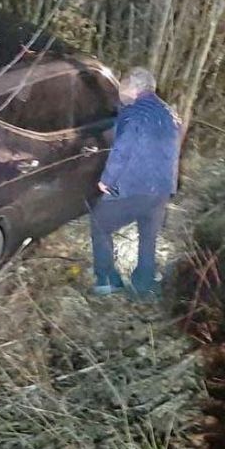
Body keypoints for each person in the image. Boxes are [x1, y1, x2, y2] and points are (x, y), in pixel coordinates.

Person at [90, 67, 182, 299]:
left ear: (133, 87)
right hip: (162, 188)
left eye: (122, 86)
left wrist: (107, 180)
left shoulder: (133, 113)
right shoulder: (169, 113)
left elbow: (123, 149)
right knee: (148, 235)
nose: (120, 91)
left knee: (99, 224)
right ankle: (144, 282)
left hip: (136, 187)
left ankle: (107, 279)